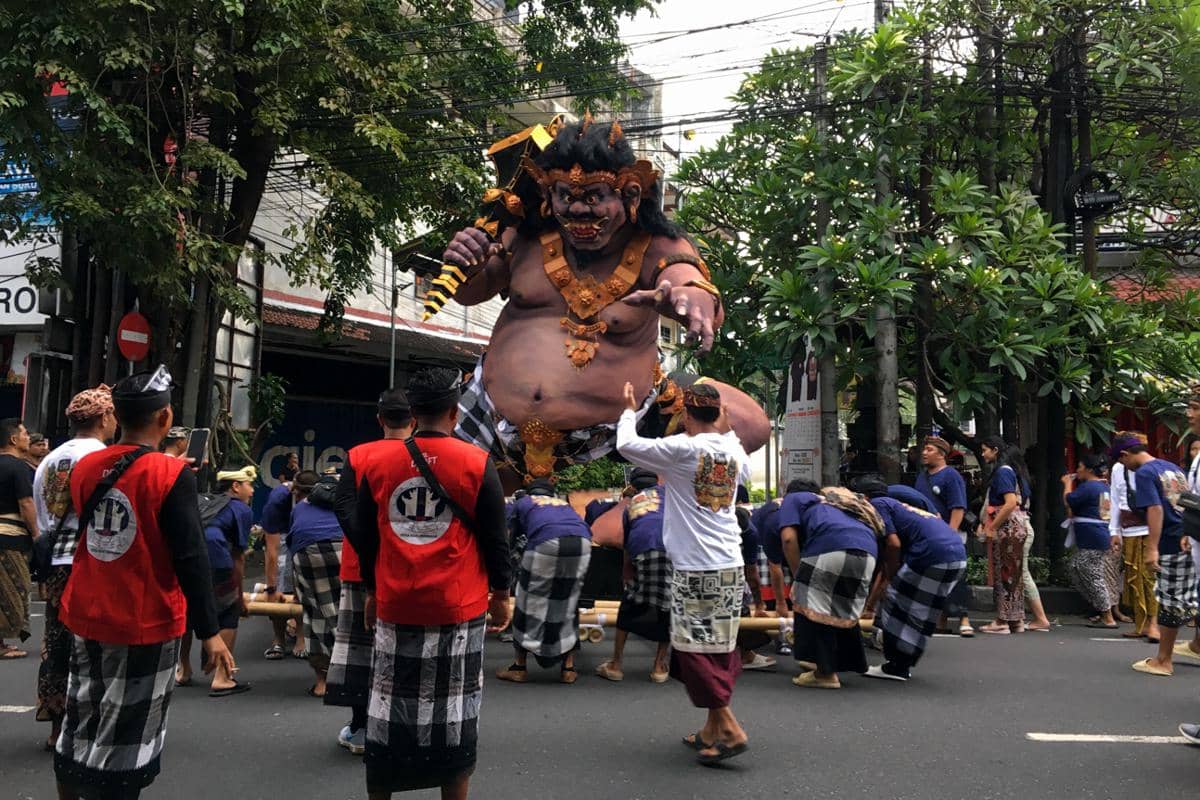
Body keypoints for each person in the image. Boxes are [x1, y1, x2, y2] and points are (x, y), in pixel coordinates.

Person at [444, 118, 768, 489]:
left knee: (748, 421)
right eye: (566, 195)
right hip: (490, 418)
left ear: (629, 195)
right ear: (548, 195)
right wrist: (463, 265)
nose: (579, 211)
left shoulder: (656, 245)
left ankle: (656, 497)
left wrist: (689, 296)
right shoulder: (524, 238)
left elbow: (686, 278)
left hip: (623, 426)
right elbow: (471, 293)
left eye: (595, 196)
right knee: (435, 484)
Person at [53, 367, 234, 800]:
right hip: (143, 620)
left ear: (118, 418)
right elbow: (191, 558)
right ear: (165, 418)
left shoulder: (86, 466)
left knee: (79, 718)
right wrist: (210, 633)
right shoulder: (171, 475)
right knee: (127, 738)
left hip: (84, 610)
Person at [344, 366, 511, 799]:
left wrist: (370, 590)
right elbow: (496, 539)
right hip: (457, 610)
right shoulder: (477, 463)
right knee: (452, 721)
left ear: (413, 414)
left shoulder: (377, 463)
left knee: (386, 715)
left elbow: (363, 534)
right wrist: (502, 595)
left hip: (396, 606)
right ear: (455, 414)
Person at [616, 380, 752, 765]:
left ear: (687, 416)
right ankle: (711, 730)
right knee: (717, 648)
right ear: (718, 414)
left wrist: (630, 408)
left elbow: (627, 446)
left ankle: (729, 727)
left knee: (694, 649)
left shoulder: (683, 448)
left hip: (696, 566)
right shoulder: (734, 449)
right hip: (729, 564)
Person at [32, 385, 116, 747]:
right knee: (98, 641)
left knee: (58, 641)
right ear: (103, 418)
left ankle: (57, 726)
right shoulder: (105, 458)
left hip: (56, 562)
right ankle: (95, 721)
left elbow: (40, 515)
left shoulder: (50, 460)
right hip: (92, 558)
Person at [331, 388, 414, 755]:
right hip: (408, 567)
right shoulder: (420, 457)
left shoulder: (359, 455)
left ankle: (361, 729)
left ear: (379, 419)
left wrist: (369, 549)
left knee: (361, 651)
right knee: (404, 649)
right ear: (412, 421)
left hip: (358, 569)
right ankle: (401, 725)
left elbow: (343, 507)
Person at [853, 476, 967, 681]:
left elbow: (893, 545)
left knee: (894, 600)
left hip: (931, 554)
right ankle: (904, 661)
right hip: (956, 553)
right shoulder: (900, 506)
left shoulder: (877, 505)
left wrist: (893, 573)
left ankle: (897, 666)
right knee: (920, 610)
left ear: (864, 498)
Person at [778, 484, 882, 689]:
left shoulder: (794, 498)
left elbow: (788, 539)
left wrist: (799, 576)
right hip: (868, 552)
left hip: (829, 546)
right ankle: (846, 662)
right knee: (841, 609)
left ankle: (824, 672)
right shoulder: (845, 507)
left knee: (809, 606)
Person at [1111, 435, 1196, 676]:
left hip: (1170, 538)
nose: (1123, 466)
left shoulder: (1145, 473)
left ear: (1125, 455)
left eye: (1121, 460)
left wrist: (1152, 547)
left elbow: (1155, 509)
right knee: (1192, 595)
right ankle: (1197, 645)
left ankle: (1163, 660)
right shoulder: (1172, 467)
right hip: (1188, 536)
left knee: (1170, 598)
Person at [498, 478, 592, 683]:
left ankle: (519, 667)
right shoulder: (563, 504)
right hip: (582, 543)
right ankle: (568, 669)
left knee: (527, 602)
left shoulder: (522, 503)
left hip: (546, 541)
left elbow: (507, 536)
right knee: (568, 599)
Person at [177, 465, 255, 695]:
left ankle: (184, 669)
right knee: (228, 613)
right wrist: (239, 598)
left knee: (188, 613)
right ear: (236, 486)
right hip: (217, 562)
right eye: (249, 485)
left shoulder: (201, 500)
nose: (251, 491)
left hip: (187, 559)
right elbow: (238, 557)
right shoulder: (239, 509)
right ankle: (222, 676)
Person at [595, 468, 672, 683]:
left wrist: (626, 573)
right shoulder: (669, 493)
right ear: (657, 480)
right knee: (668, 607)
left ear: (633, 487)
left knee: (629, 606)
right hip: (673, 549)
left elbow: (628, 544)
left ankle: (616, 664)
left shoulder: (632, 504)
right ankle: (658, 666)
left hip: (644, 551)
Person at [289, 470, 343, 697]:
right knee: (349, 611)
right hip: (344, 548)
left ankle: (322, 682)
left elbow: (292, 543)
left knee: (314, 613)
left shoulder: (299, 507)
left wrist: (296, 592)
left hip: (306, 552)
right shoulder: (348, 500)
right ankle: (351, 674)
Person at [914, 436, 974, 637]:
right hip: (928, 534)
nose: (924, 452)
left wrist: (950, 533)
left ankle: (964, 618)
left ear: (941, 453)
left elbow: (958, 507)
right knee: (933, 576)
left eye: (929, 449)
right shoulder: (922, 477)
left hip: (949, 534)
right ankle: (940, 620)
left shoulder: (951, 476)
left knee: (955, 578)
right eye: (924, 449)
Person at [977, 437, 1032, 635]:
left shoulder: (1002, 472)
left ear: (995, 450)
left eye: (985, 450)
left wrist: (992, 526)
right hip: (1017, 528)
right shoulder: (1014, 472)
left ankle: (1002, 620)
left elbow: (1009, 503)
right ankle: (1015, 620)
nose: (983, 454)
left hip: (1007, 529)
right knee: (1013, 576)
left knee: (1004, 575)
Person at [1110, 431, 1159, 641]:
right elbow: (1114, 498)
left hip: (1150, 527)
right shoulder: (1118, 469)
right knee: (1133, 578)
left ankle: (1155, 624)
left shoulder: (1152, 468)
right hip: (1129, 527)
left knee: (1150, 577)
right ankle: (1142, 624)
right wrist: (1114, 530)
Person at [1062, 454, 1118, 628]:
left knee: (1092, 575)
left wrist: (1066, 484)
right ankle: (1100, 608)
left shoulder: (1089, 487)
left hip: (1093, 536)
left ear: (1088, 469)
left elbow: (1069, 501)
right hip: (1097, 534)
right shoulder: (1103, 487)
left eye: (1079, 466)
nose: (1077, 470)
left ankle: (1107, 615)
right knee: (1077, 567)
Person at [0, 417, 39, 659]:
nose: (28, 437)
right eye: (25, 433)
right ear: (14, 439)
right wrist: (36, 534)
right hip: (9, 537)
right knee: (12, 590)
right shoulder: (18, 467)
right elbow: (26, 503)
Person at [259, 473, 301, 660]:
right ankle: (279, 639)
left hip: (305, 532)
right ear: (295, 491)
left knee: (302, 583)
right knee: (280, 581)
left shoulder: (319, 499)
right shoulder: (277, 500)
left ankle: (302, 637)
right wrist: (271, 586)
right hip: (282, 533)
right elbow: (272, 550)